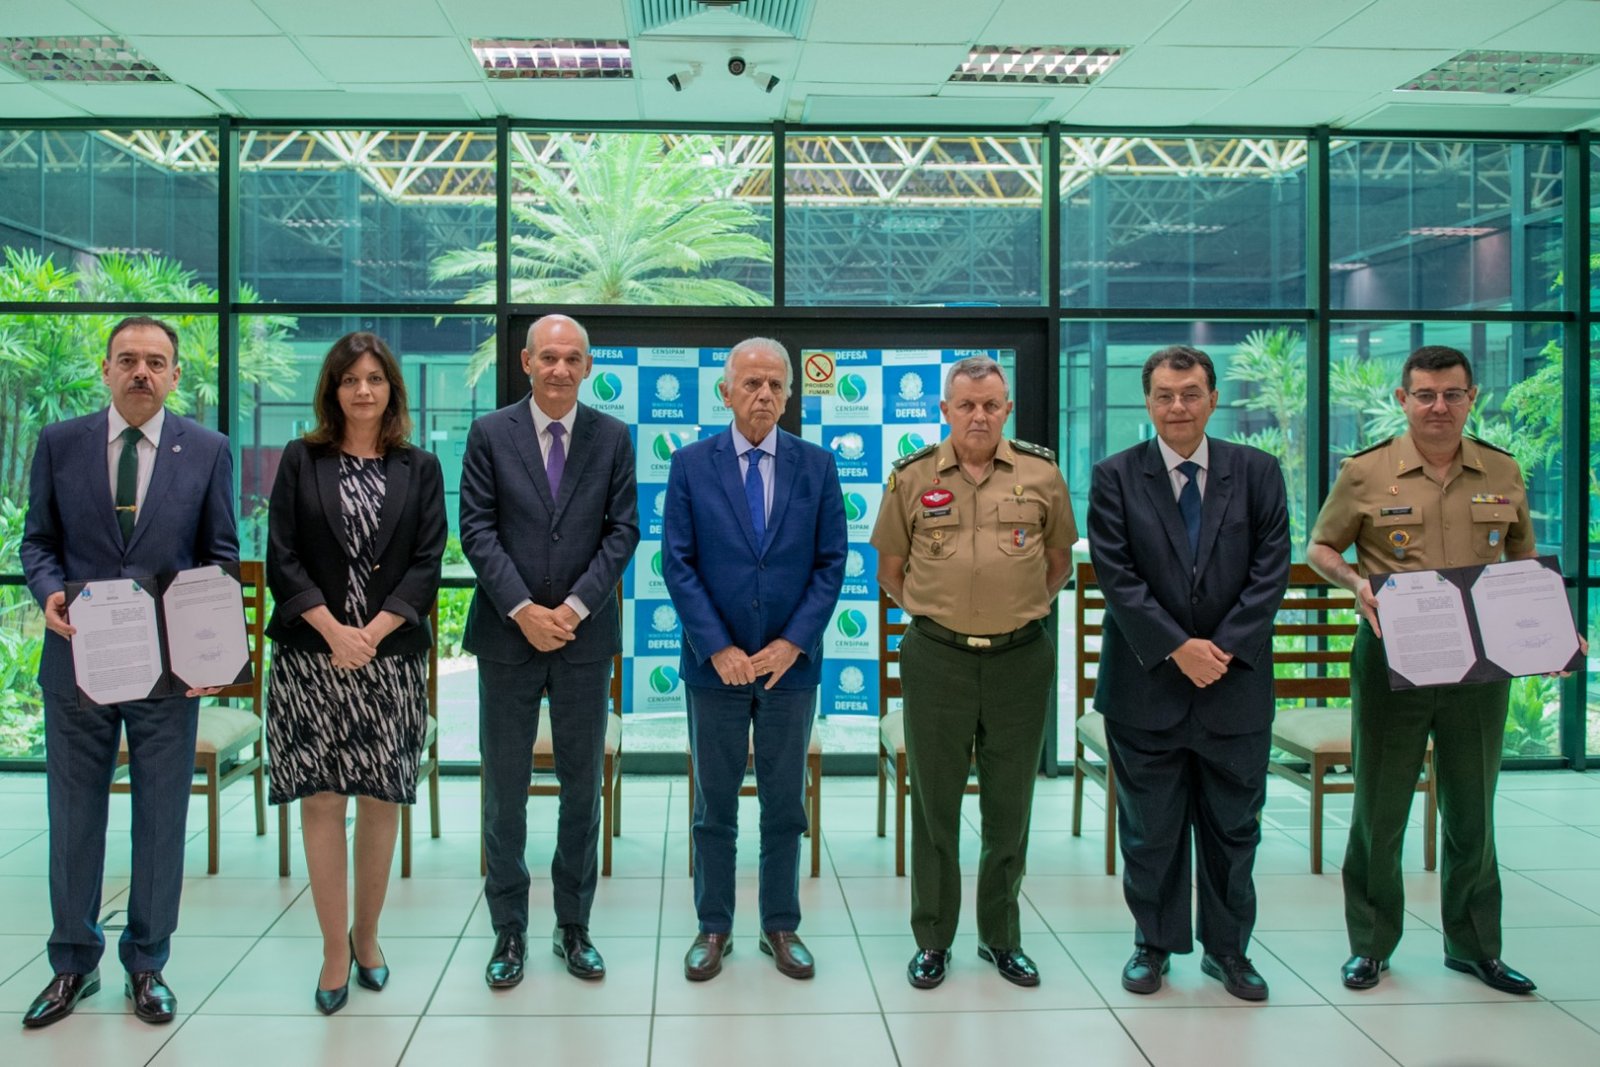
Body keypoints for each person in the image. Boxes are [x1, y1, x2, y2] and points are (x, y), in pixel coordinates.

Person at [1308, 344, 1583, 995]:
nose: (1440, 406)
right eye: (1426, 394)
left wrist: (1553, 633)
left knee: (1472, 810)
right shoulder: (1366, 472)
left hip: (1482, 667)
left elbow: (1522, 562)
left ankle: (1475, 946)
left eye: (1453, 394)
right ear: (1403, 399)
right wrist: (1356, 583)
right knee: (1379, 809)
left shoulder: (1501, 470)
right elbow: (1320, 546)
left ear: (1471, 398)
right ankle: (1371, 945)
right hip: (1392, 658)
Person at [19, 316, 238, 1028]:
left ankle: (147, 963)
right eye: (128, 359)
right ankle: (71, 964)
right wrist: (47, 591)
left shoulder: (206, 449)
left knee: (161, 818)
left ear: (175, 375)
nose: (142, 371)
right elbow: (38, 540)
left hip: (167, 671)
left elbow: (219, 555)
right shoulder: (60, 443)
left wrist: (210, 651)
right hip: (78, 661)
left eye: (155, 361)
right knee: (73, 817)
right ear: (106, 369)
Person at [1087, 345, 1290, 1001]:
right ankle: (1153, 944)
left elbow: (1271, 571)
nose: (1178, 406)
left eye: (1191, 393)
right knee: (1150, 831)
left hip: (1236, 684)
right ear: (1148, 402)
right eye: (1165, 395)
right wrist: (1179, 648)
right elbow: (1118, 577)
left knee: (1235, 829)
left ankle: (1229, 951)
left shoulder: (1257, 472)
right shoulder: (1115, 477)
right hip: (1145, 686)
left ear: (1213, 398)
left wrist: (1219, 649)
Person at [871, 354, 1074, 990]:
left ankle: (1001, 937)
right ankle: (933, 939)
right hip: (938, 658)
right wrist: (942, 614)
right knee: (935, 807)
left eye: (990, 405)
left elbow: (1059, 563)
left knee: (1010, 807)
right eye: (966, 405)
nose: (979, 416)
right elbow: (890, 571)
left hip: (1021, 658)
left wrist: (1011, 610)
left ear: (1007, 409)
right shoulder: (911, 477)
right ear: (945, 411)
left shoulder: (1042, 474)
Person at [264, 331, 446, 1014]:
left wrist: (371, 633)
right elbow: (282, 555)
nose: (362, 390)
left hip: (388, 659)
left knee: (379, 798)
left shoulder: (420, 467)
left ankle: (366, 937)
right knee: (320, 800)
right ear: (332, 390)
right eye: (349, 379)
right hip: (312, 659)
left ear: (391, 388)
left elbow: (428, 561)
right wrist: (333, 630)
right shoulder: (301, 459)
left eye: (374, 378)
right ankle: (332, 950)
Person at [460, 313, 639, 988]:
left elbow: (622, 532)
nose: (560, 368)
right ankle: (509, 928)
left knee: (581, 788)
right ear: (527, 362)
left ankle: (574, 925)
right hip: (507, 636)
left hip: (583, 639)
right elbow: (476, 529)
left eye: (572, 358)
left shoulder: (612, 437)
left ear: (587, 367)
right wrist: (523, 610)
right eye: (548, 357)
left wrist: (572, 608)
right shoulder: (489, 433)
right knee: (504, 793)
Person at [663, 337, 846, 982]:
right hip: (715, 669)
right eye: (751, 383)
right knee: (714, 806)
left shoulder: (817, 466)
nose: (763, 394)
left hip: (790, 667)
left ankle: (780, 925)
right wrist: (718, 647)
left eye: (775, 384)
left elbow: (831, 564)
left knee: (784, 805)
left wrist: (792, 643)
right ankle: (713, 926)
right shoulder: (690, 465)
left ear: (789, 393)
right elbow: (678, 563)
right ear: (726, 392)